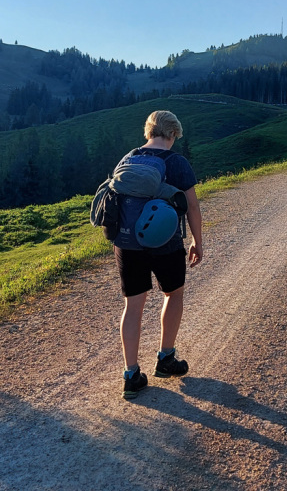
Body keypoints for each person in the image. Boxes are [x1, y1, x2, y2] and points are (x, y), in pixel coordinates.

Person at [112, 110, 203, 400]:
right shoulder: (176, 162)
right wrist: (197, 242)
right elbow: (191, 207)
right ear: (173, 134)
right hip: (165, 243)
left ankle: (131, 374)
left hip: (127, 244)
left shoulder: (127, 159)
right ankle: (166, 358)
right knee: (173, 294)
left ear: (149, 132)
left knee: (133, 306)